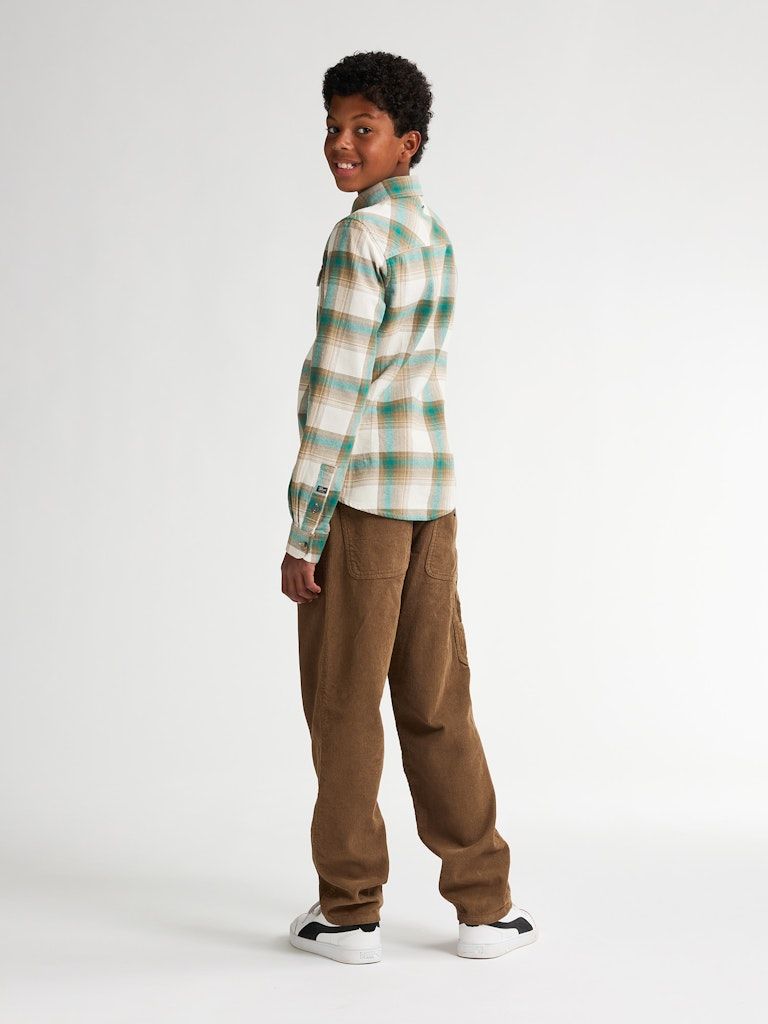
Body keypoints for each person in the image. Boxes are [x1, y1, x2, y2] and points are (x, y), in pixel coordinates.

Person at [281, 50, 538, 964]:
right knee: (436, 702)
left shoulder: (360, 238)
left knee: (345, 707)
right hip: (432, 499)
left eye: (365, 128)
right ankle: (487, 909)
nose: (341, 144)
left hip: (362, 508)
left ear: (408, 142)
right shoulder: (432, 232)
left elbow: (338, 391)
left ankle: (350, 913)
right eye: (334, 126)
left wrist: (304, 531)